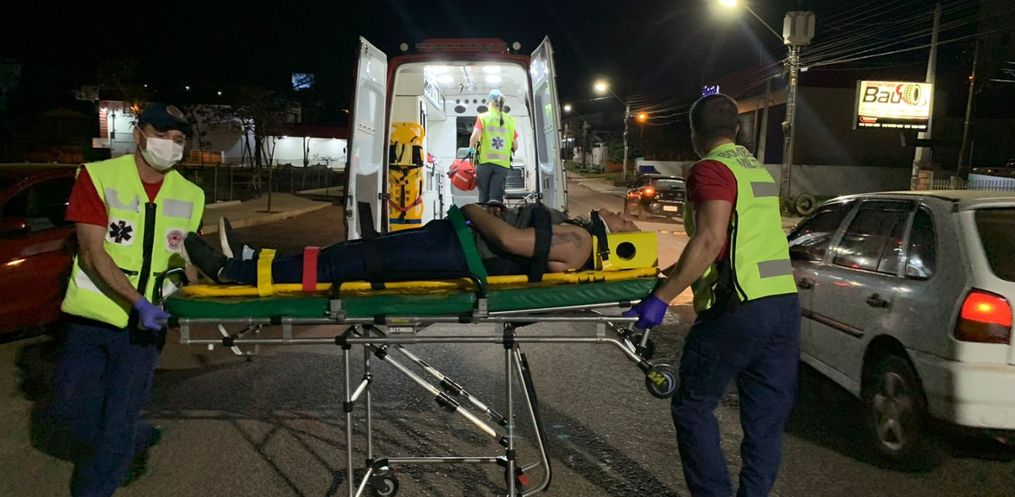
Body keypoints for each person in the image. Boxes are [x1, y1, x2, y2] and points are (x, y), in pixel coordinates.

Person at [623, 94, 799, 497]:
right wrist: (667, 278)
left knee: (693, 406)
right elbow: (734, 243)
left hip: (738, 307)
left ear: (694, 134)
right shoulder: (755, 169)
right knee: (765, 423)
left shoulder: (711, 170)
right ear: (736, 129)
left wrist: (662, 298)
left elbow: (710, 239)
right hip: (783, 305)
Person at [50, 103, 205, 496]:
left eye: (178, 138)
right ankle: (135, 438)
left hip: (145, 330)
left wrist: (198, 297)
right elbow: (91, 252)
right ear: (139, 135)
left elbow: (186, 261)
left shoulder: (192, 195)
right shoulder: (99, 177)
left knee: (118, 417)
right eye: (161, 134)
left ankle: (102, 477)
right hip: (92, 320)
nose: (170, 144)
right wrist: (137, 301)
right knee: (70, 409)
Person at [183, 204, 638, 286]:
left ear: (620, 236)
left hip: (457, 247)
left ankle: (233, 272)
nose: (620, 213)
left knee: (348, 262)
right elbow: (542, 261)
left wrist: (474, 207)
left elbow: (507, 239)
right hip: (455, 244)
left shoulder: (579, 239)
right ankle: (252, 261)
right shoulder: (578, 241)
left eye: (626, 220)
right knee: (348, 255)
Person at [468, 89, 518, 204]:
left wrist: (471, 148)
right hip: (502, 166)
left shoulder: (483, 117)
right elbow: (515, 146)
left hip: (484, 164)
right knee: (496, 200)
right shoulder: (510, 120)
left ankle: (482, 215)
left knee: (483, 198)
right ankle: (495, 215)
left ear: (489, 102)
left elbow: (474, 136)